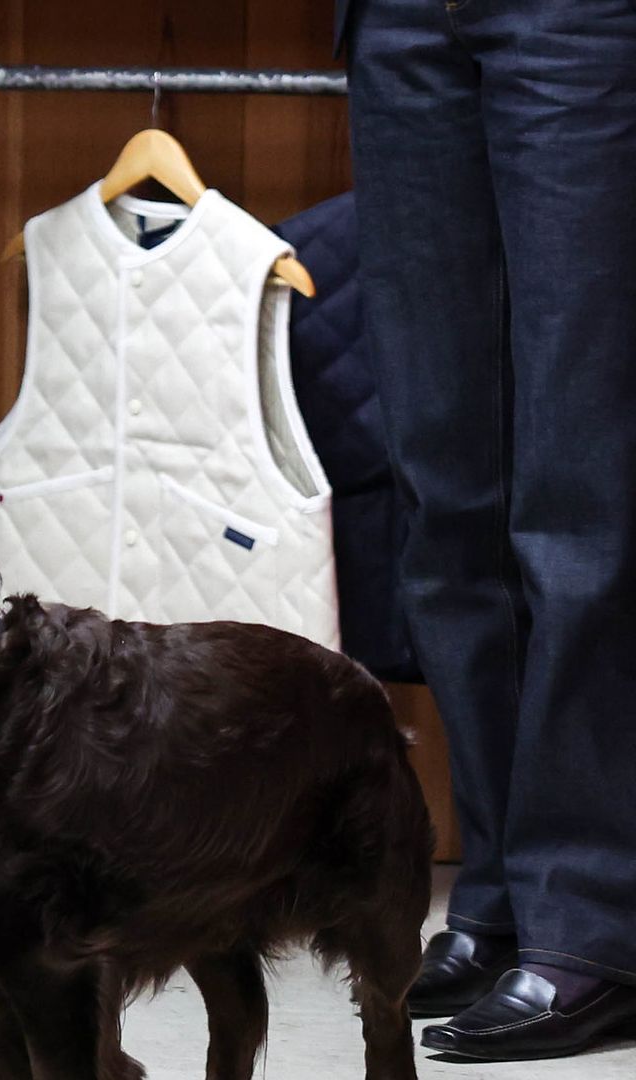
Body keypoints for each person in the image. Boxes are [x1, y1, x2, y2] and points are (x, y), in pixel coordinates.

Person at [343, 0, 636, 1061]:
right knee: (446, 487)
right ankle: (504, 895)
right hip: (399, 20)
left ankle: (592, 917)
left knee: (579, 490)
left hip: (579, 19)